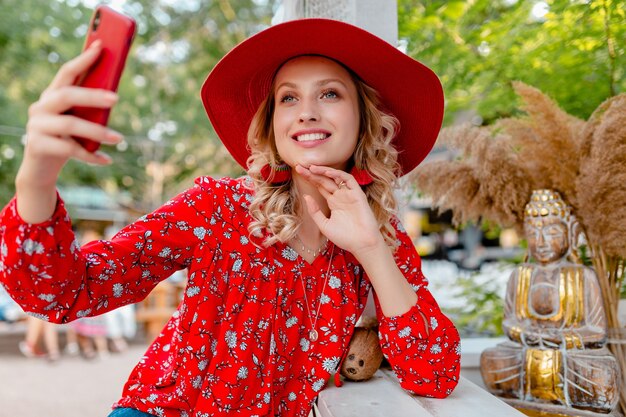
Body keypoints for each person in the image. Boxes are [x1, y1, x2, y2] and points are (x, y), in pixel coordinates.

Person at [0, 18, 460, 417]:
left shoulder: (384, 238)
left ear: (363, 118)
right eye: (288, 98)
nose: (307, 112)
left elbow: (435, 373)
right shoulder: (217, 207)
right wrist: (36, 181)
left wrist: (371, 249)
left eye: (330, 93)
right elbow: (67, 292)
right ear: (272, 124)